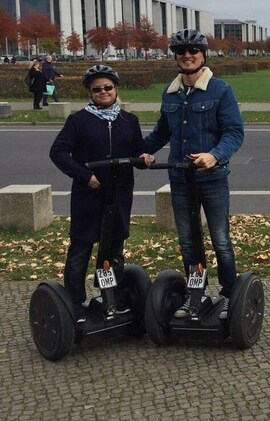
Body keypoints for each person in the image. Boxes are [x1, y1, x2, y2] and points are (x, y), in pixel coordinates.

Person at [144, 29, 244, 320]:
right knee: (188, 241)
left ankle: (228, 294)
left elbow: (234, 133)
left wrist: (214, 155)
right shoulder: (170, 92)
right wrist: (142, 151)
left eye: (193, 51)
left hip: (212, 179)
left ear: (203, 55)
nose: (187, 55)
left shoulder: (221, 90)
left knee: (220, 239)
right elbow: (162, 132)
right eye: (181, 51)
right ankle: (195, 293)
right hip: (180, 178)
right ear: (175, 56)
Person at [49, 65, 154, 320]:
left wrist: (144, 158)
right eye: (97, 89)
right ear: (90, 93)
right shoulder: (78, 120)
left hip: (118, 194)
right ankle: (74, 303)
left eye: (108, 87)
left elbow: (137, 152)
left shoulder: (129, 121)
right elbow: (58, 152)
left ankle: (111, 298)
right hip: (89, 194)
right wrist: (85, 176)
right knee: (81, 248)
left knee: (113, 248)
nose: (103, 92)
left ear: (116, 89)